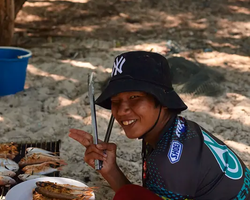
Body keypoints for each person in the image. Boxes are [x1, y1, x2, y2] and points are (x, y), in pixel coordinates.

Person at [69, 51, 250, 200]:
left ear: (162, 100)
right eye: (115, 101)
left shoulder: (168, 163)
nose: (122, 110)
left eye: (135, 97)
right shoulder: (178, 130)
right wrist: (111, 170)